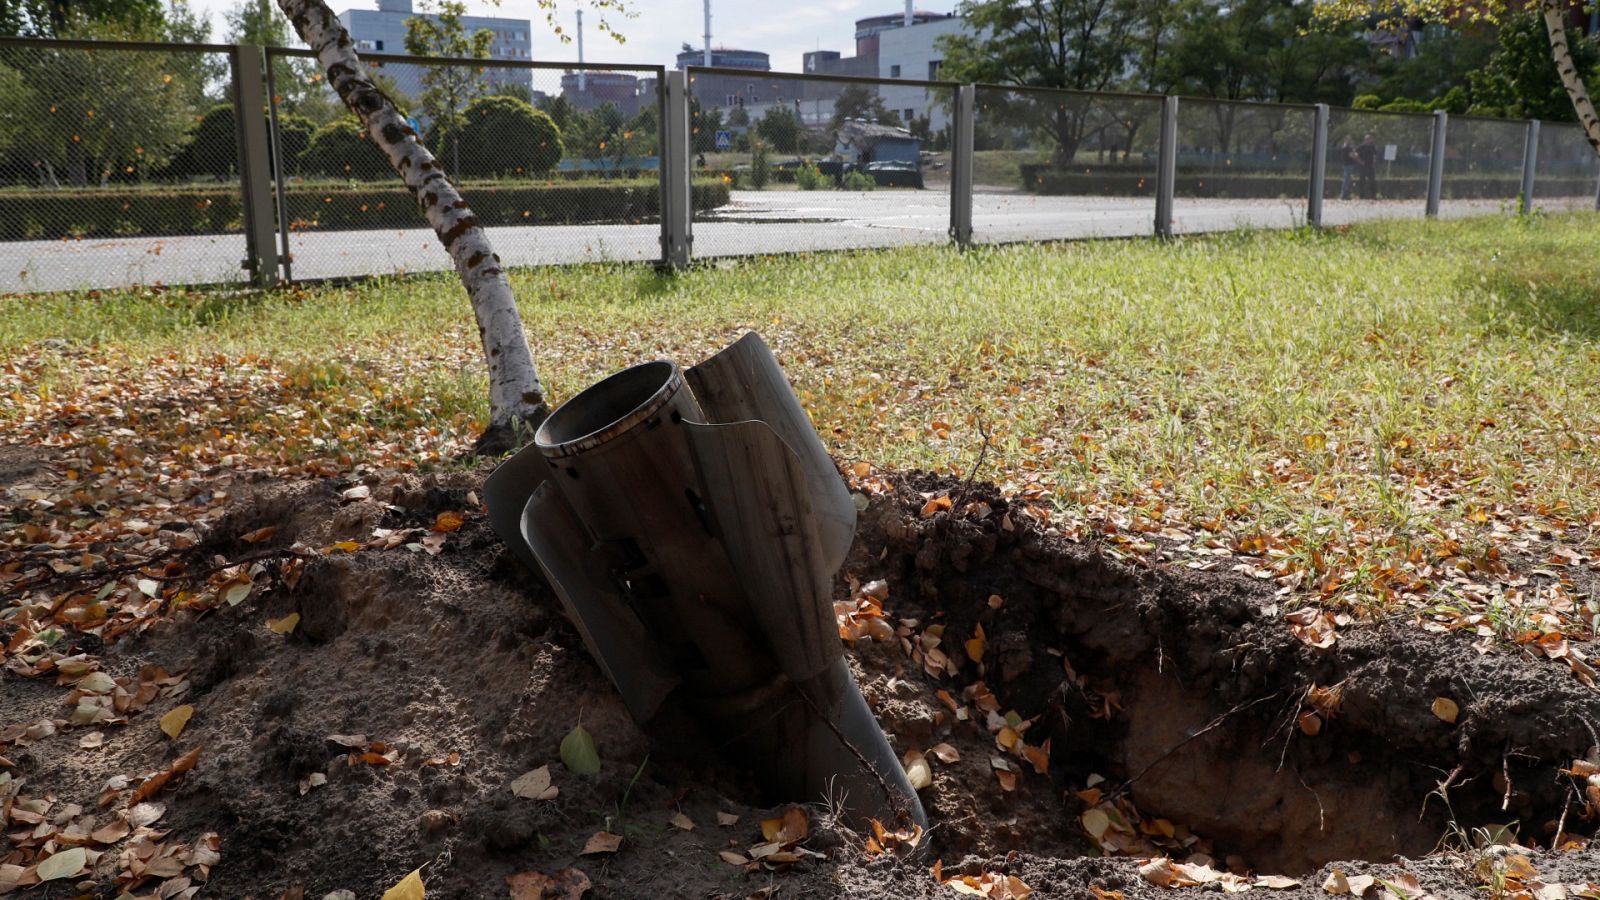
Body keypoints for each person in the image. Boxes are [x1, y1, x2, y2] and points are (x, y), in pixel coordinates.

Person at [1357, 134, 1378, 200]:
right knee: (1362, 181)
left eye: (1369, 139)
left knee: (1372, 181)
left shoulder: (1373, 147)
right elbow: (1355, 154)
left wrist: (1374, 162)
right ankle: (1361, 195)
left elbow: (1375, 155)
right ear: (1364, 140)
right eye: (1367, 139)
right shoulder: (1361, 147)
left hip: (1371, 166)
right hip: (1363, 166)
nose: (1368, 140)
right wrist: (1360, 161)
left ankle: (1373, 195)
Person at [1337, 136, 1359, 200]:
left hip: (1348, 165)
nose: (1350, 141)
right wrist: (1356, 154)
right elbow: (1352, 155)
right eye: (1348, 140)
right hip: (1348, 165)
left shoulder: (1346, 147)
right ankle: (1343, 195)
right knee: (1346, 180)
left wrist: (1354, 153)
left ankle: (1345, 195)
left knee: (1348, 180)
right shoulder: (1346, 148)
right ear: (1345, 140)